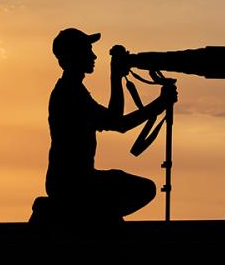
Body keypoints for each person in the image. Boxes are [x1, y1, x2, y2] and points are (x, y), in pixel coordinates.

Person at [30, 28, 176, 232]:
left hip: (70, 180)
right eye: (87, 50)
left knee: (125, 191)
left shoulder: (72, 90)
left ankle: (75, 213)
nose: (93, 56)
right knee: (143, 189)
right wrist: (159, 103)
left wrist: (118, 79)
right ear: (72, 56)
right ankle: (65, 212)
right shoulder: (69, 94)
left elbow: (114, 120)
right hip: (74, 183)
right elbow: (118, 123)